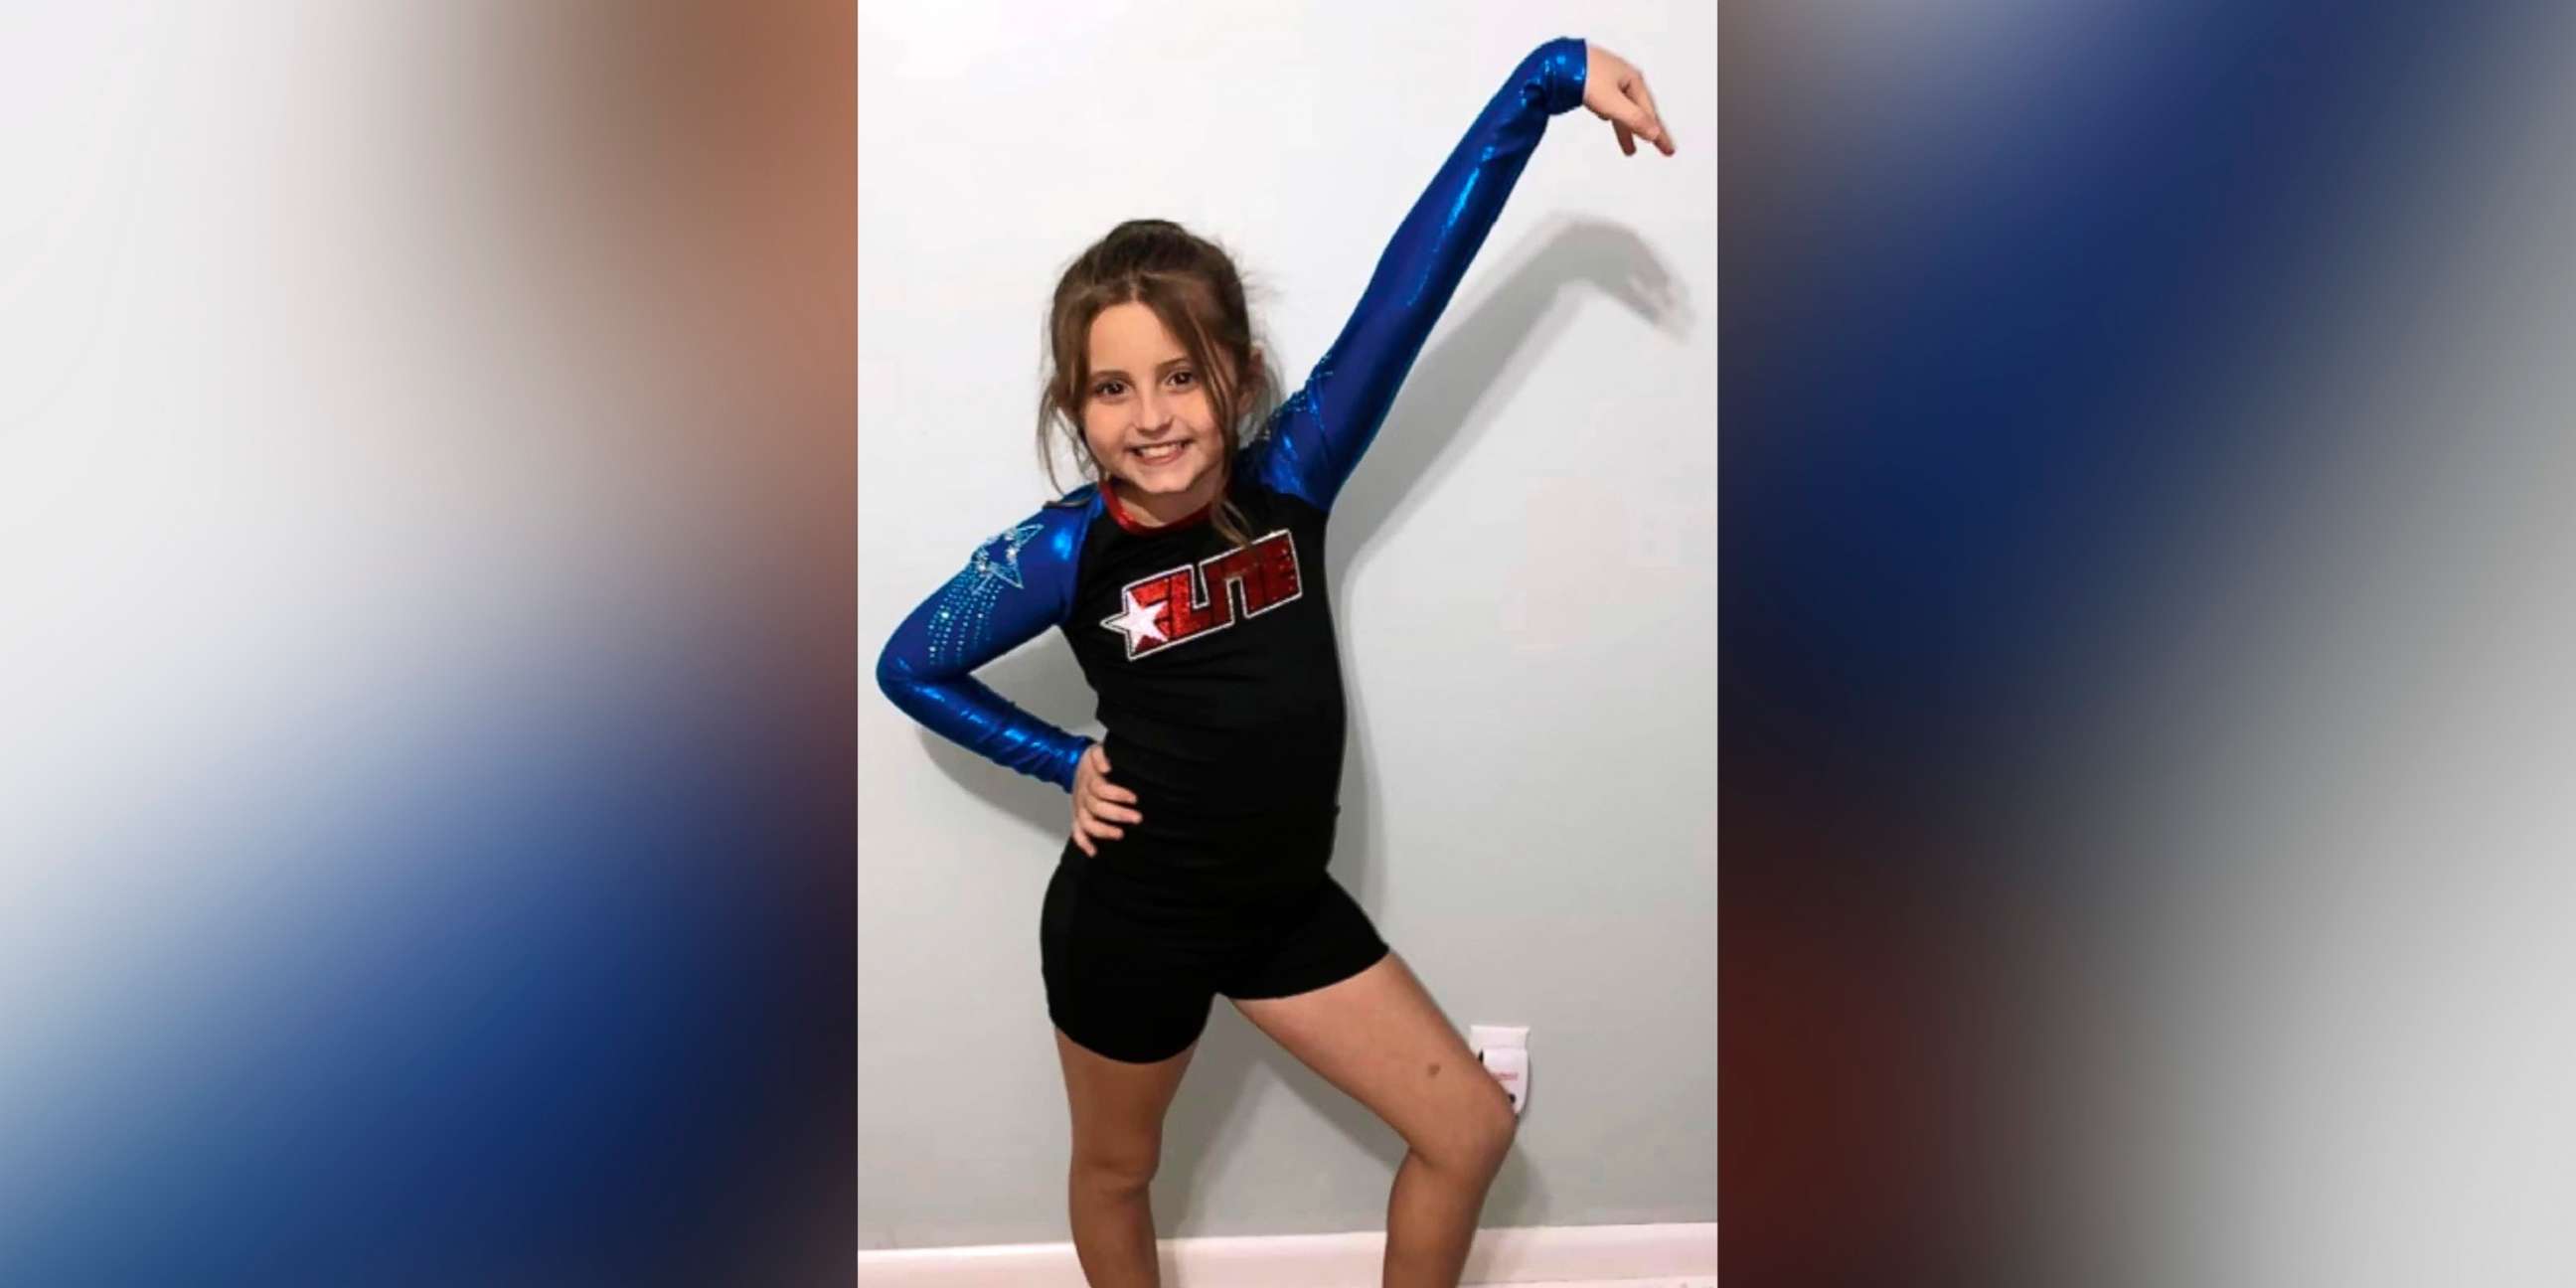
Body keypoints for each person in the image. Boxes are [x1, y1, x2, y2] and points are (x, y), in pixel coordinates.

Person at [877, 36, 1673, 1288]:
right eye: (1112, 389)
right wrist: (1060, 759)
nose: (1151, 417)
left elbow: (1410, 290)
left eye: (1181, 376)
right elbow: (909, 663)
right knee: (1117, 1174)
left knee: (1465, 1131)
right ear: (1074, 408)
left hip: (1282, 905)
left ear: (1236, 377)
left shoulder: (1293, 477)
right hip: (1132, 918)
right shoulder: (1061, 550)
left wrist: (1549, 79)